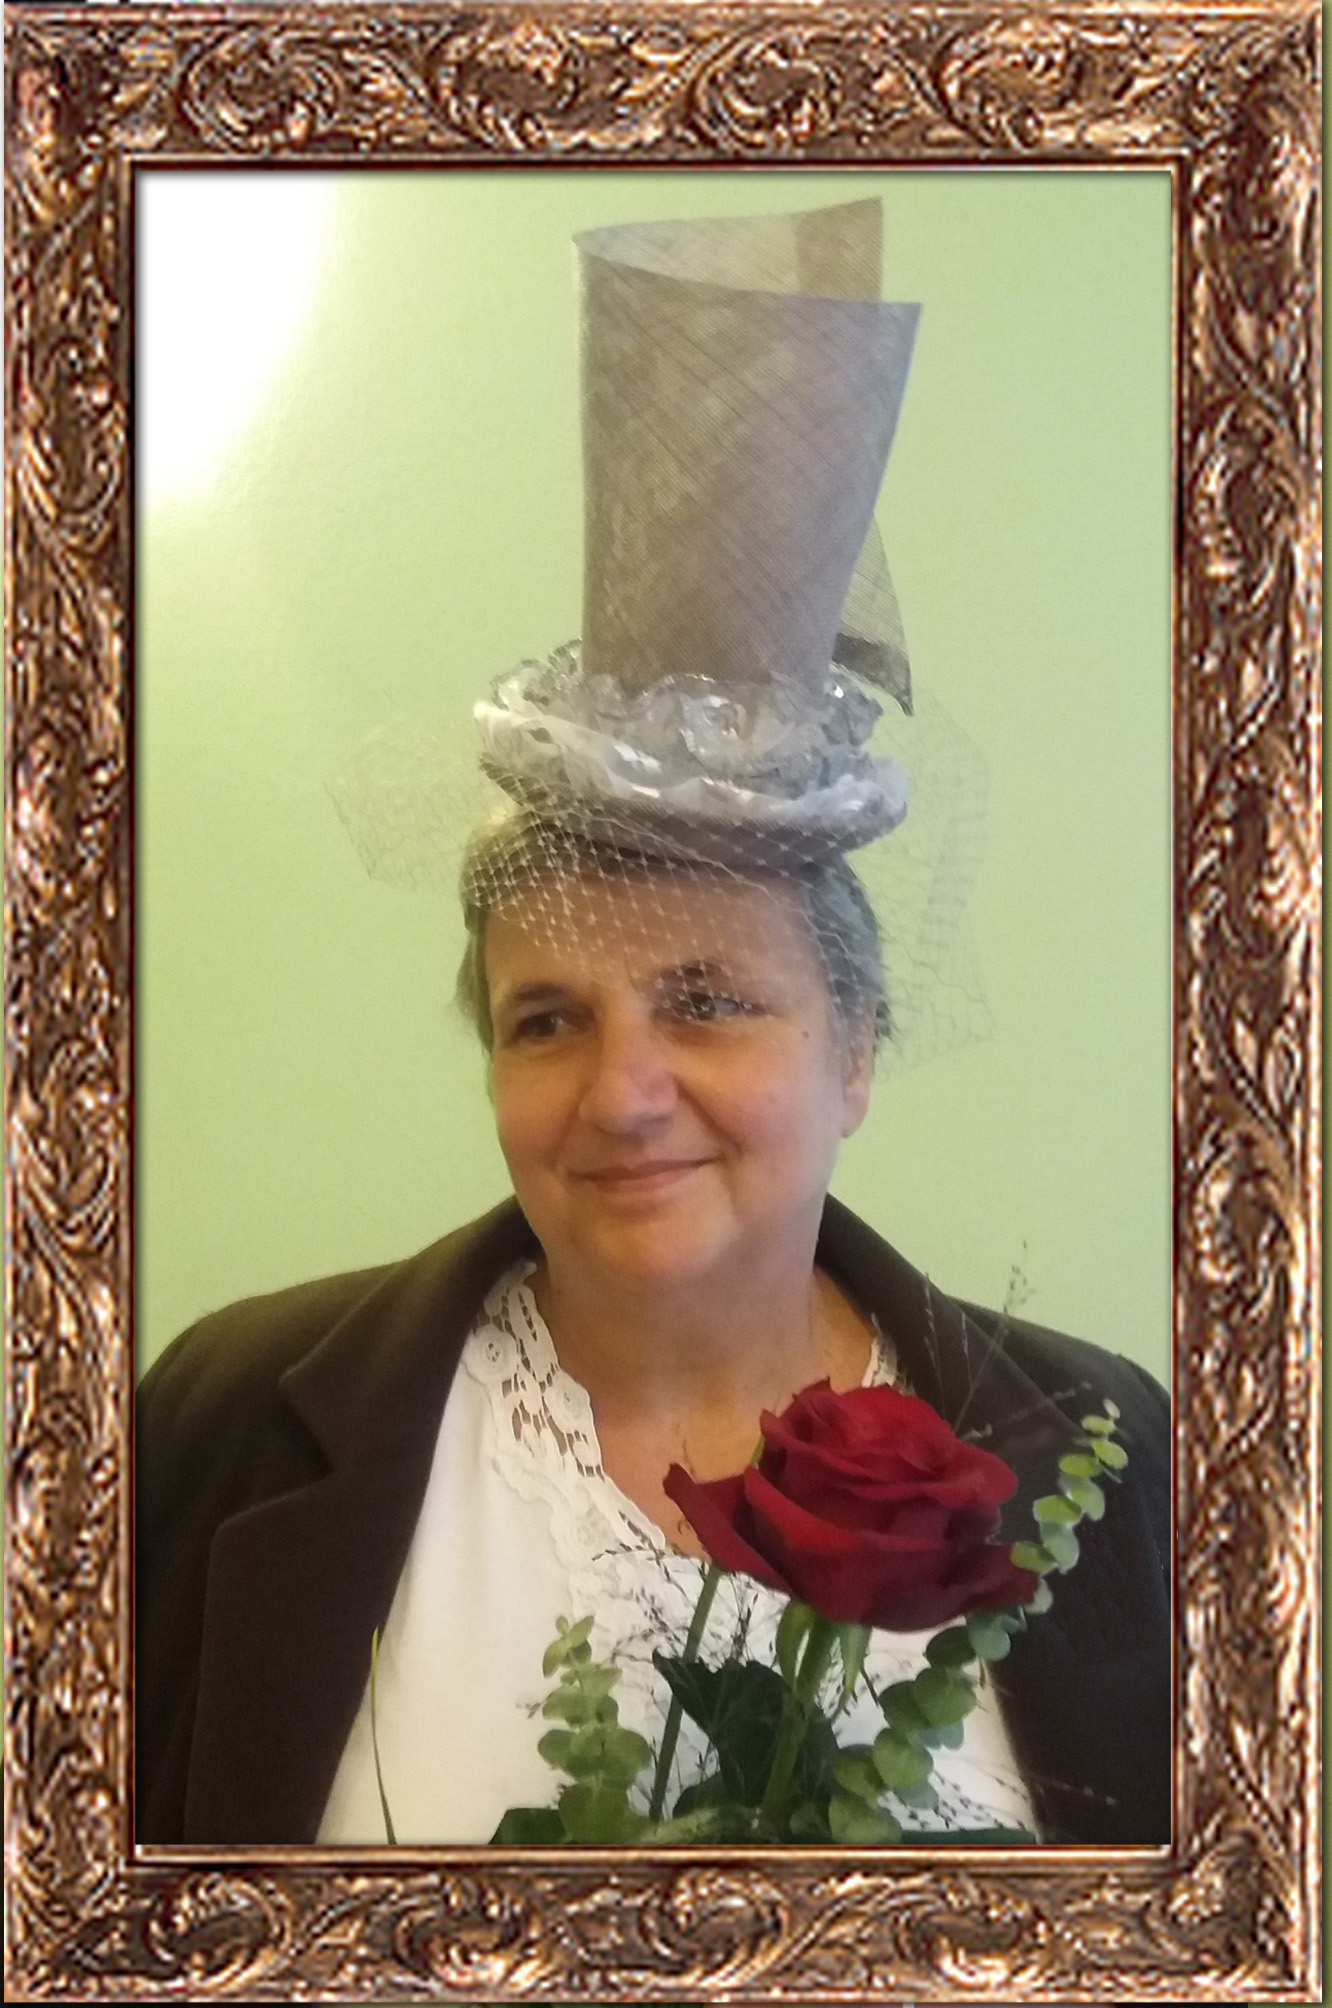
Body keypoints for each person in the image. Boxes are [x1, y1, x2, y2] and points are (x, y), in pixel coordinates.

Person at [136, 201, 1170, 1847]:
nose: (622, 1092)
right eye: (547, 1019)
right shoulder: (226, 1415)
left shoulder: (1112, 1454)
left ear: (856, 1051)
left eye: (707, 1003)